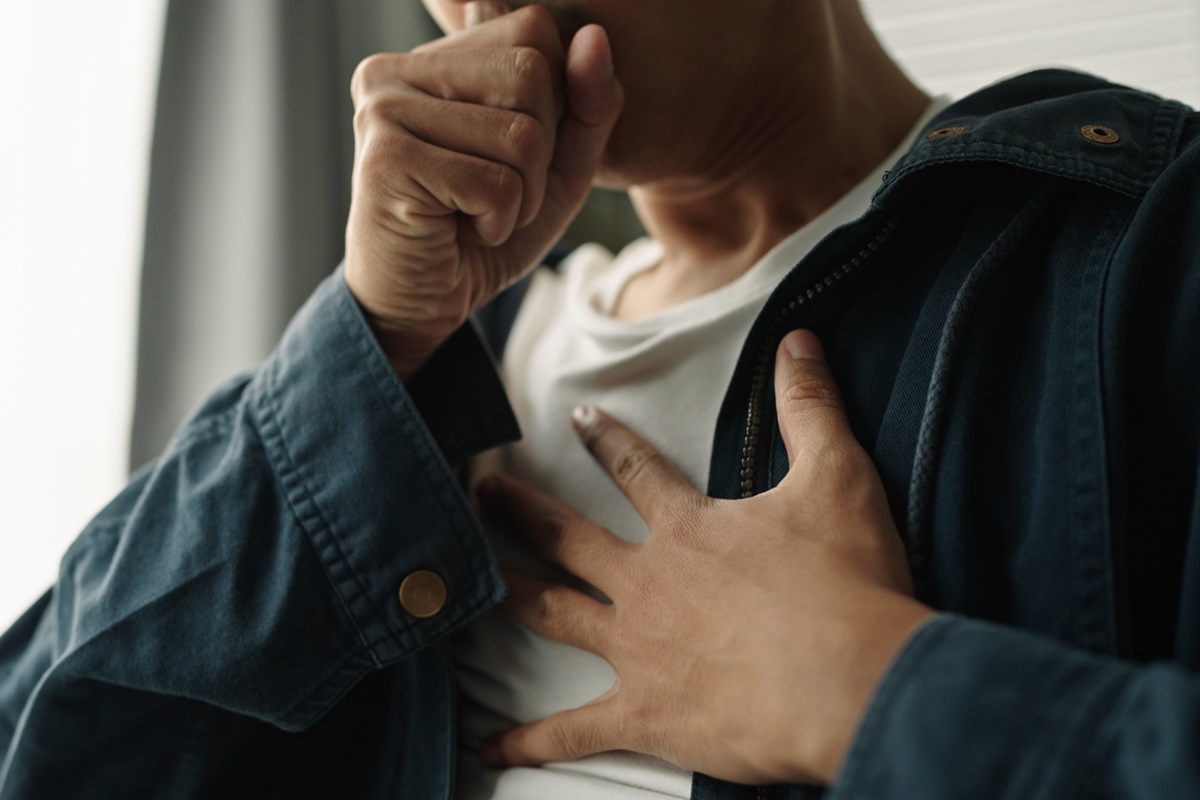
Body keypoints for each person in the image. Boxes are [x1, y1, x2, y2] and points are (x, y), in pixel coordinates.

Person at [1, 0, 1197, 797]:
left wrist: (861, 686)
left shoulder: (1144, 249)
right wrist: (371, 338)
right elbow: (40, 750)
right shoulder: (441, 357)